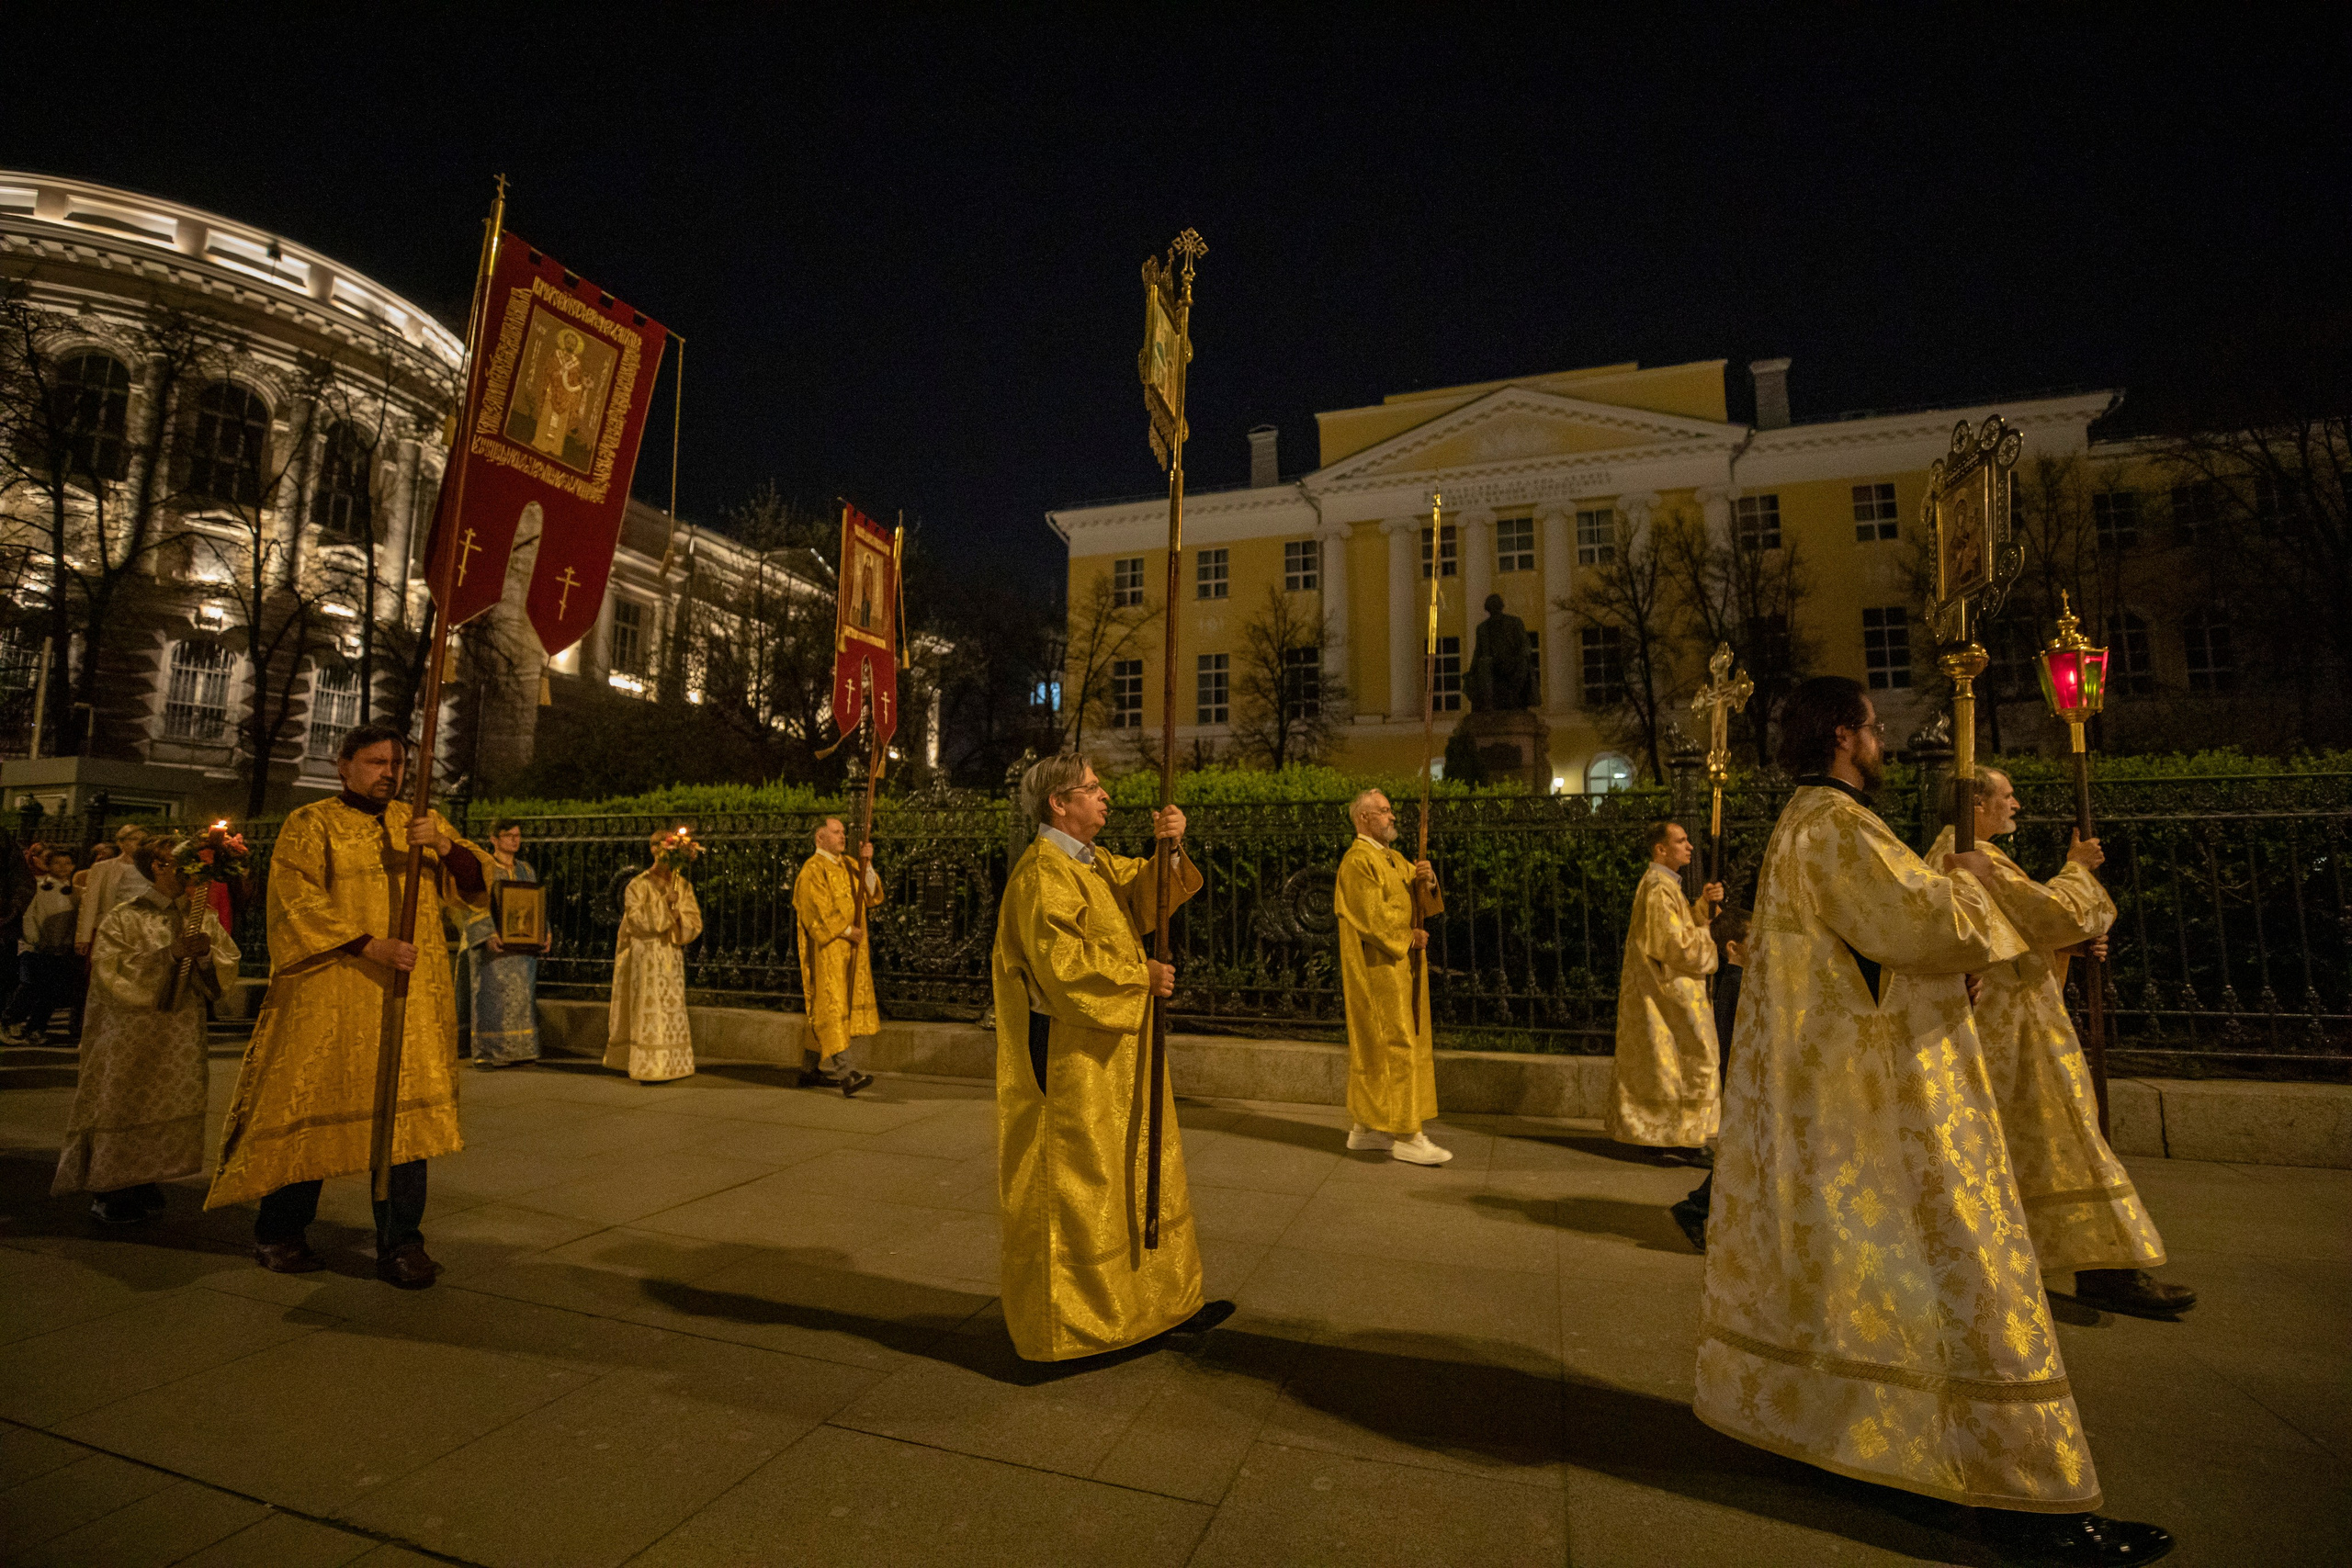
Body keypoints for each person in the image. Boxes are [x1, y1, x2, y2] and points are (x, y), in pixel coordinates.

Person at [1694, 677, 2172, 1564]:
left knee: (1863, 1288)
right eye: (1873, 728)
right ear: (1844, 735)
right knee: (1974, 1277)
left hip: (1843, 1106)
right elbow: (1920, 923)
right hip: (1886, 1112)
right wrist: (1967, 890)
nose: (1882, 742)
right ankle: (2034, 1497)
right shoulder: (1835, 826)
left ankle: (1854, 1439)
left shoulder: (1807, 824)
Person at [206, 723, 489, 1289]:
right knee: (309, 1107)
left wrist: (446, 847)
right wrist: (369, 944)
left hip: (409, 1000)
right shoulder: (309, 824)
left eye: (399, 764)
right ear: (343, 764)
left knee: (404, 1123)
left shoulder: (420, 822)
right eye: (377, 762)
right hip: (335, 992)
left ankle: (402, 1242)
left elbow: (480, 885)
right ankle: (281, 1230)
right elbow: (294, 903)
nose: (390, 773)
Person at [1928, 769, 2195, 1318]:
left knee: (2038, 1155)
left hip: (2003, 1026)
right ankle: (2107, 1272)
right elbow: (2055, 912)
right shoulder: (1969, 854)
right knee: (2072, 1146)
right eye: (2005, 796)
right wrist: (2078, 869)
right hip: (2015, 1036)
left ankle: (2088, 1269)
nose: (2015, 804)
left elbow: (2018, 932)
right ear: (1976, 803)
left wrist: (2065, 951)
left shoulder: (1953, 854)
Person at [991, 753, 1230, 1361]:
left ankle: (1150, 1306)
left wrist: (1170, 848)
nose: (1105, 796)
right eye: (1092, 788)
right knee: (1076, 1188)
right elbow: (1060, 966)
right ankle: (1066, 1329)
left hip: (1113, 1055)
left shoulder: (1088, 862)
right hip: (1072, 1061)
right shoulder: (1042, 873)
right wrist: (1138, 972)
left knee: (1131, 1174)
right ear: (1058, 802)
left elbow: (1143, 890)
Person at [53, 837, 237, 1223]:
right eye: (177, 860)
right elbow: (110, 973)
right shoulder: (124, 916)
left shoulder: (200, 916)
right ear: (157, 865)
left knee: (168, 1098)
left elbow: (222, 971)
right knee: (123, 1099)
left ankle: (145, 1176)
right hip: (128, 1032)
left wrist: (204, 953)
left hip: (178, 1032)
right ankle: (110, 1187)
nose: (187, 869)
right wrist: (167, 956)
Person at [1335, 789, 1451, 1164]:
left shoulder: (1394, 858)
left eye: (1390, 811)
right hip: (1378, 969)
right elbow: (1370, 917)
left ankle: (1366, 1128)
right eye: (1384, 812)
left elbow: (1421, 902)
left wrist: (1427, 881)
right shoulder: (1357, 861)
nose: (1392, 817)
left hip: (1400, 968)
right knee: (1394, 1042)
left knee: (1392, 1043)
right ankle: (1406, 1132)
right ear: (1363, 819)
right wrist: (1408, 937)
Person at [1607, 821, 1724, 1166]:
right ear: (1661, 849)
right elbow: (1672, 943)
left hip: (1664, 991)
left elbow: (1677, 923)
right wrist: (1708, 936)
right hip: (1669, 992)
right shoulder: (1658, 887)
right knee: (1695, 1059)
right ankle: (1690, 1138)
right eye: (1681, 840)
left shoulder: (1664, 885)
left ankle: (1658, 1136)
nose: (1689, 846)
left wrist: (1702, 905)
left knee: (1664, 1065)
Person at [1669, 903, 1749, 1251]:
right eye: (1754, 938)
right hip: (1741, 1082)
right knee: (1743, 1154)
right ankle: (1695, 1207)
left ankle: (1700, 1208)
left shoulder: (1743, 981)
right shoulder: (1735, 984)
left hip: (1744, 1081)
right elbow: (1730, 1038)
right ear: (1733, 948)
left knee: (1746, 1154)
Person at [793, 817, 882, 1096]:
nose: (843, 836)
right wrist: (845, 930)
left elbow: (871, 894)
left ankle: (809, 1070)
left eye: (843, 832)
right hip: (828, 948)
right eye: (836, 832)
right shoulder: (812, 869)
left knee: (828, 1007)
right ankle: (847, 1073)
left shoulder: (849, 864)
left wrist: (867, 863)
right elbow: (814, 909)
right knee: (831, 1004)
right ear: (820, 838)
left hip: (851, 948)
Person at [606, 829, 702, 1083]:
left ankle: (673, 1064)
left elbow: (694, 920)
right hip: (645, 955)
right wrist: (664, 904)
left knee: (671, 1010)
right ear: (653, 849)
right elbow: (636, 921)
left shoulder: (683, 885)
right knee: (649, 1011)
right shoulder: (637, 885)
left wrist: (680, 915)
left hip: (671, 953)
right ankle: (648, 1066)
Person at [460, 818, 541, 1069]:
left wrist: (543, 933)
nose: (515, 840)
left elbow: (536, 903)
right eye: (509, 835)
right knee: (491, 997)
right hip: (493, 943)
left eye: (518, 835)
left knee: (522, 996)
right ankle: (490, 1052)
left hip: (522, 945)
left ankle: (522, 1051)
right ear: (494, 839)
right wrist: (486, 935)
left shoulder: (526, 869)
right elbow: (470, 902)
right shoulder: (484, 866)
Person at [3, 849, 80, 1045]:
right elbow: (29, 916)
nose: (63, 867)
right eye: (57, 863)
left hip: (62, 947)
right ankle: (10, 1019)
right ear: (48, 865)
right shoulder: (38, 888)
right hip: (38, 947)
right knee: (30, 986)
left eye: (67, 863)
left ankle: (37, 1027)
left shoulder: (77, 891)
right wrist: (33, 939)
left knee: (52, 991)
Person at [74, 825, 148, 956]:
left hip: (143, 930)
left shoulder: (152, 868)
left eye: (143, 840)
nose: (139, 843)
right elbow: (89, 903)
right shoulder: (103, 868)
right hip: (112, 929)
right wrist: (83, 937)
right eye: (134, 839)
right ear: (121, 843)